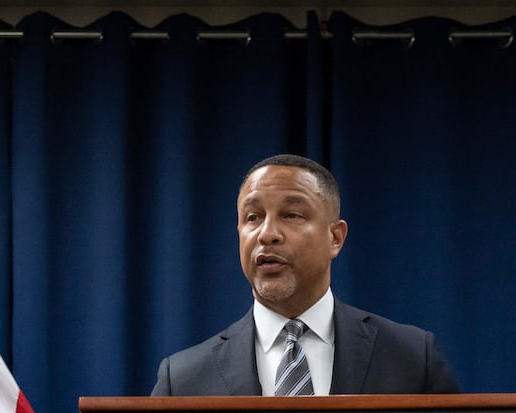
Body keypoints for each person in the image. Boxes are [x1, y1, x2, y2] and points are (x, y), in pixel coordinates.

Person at [153, 153, 460, 396]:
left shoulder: (412, 360)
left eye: (291, 215)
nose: (267, 234)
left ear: (335, 238)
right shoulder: (183, 379)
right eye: (253, 217)